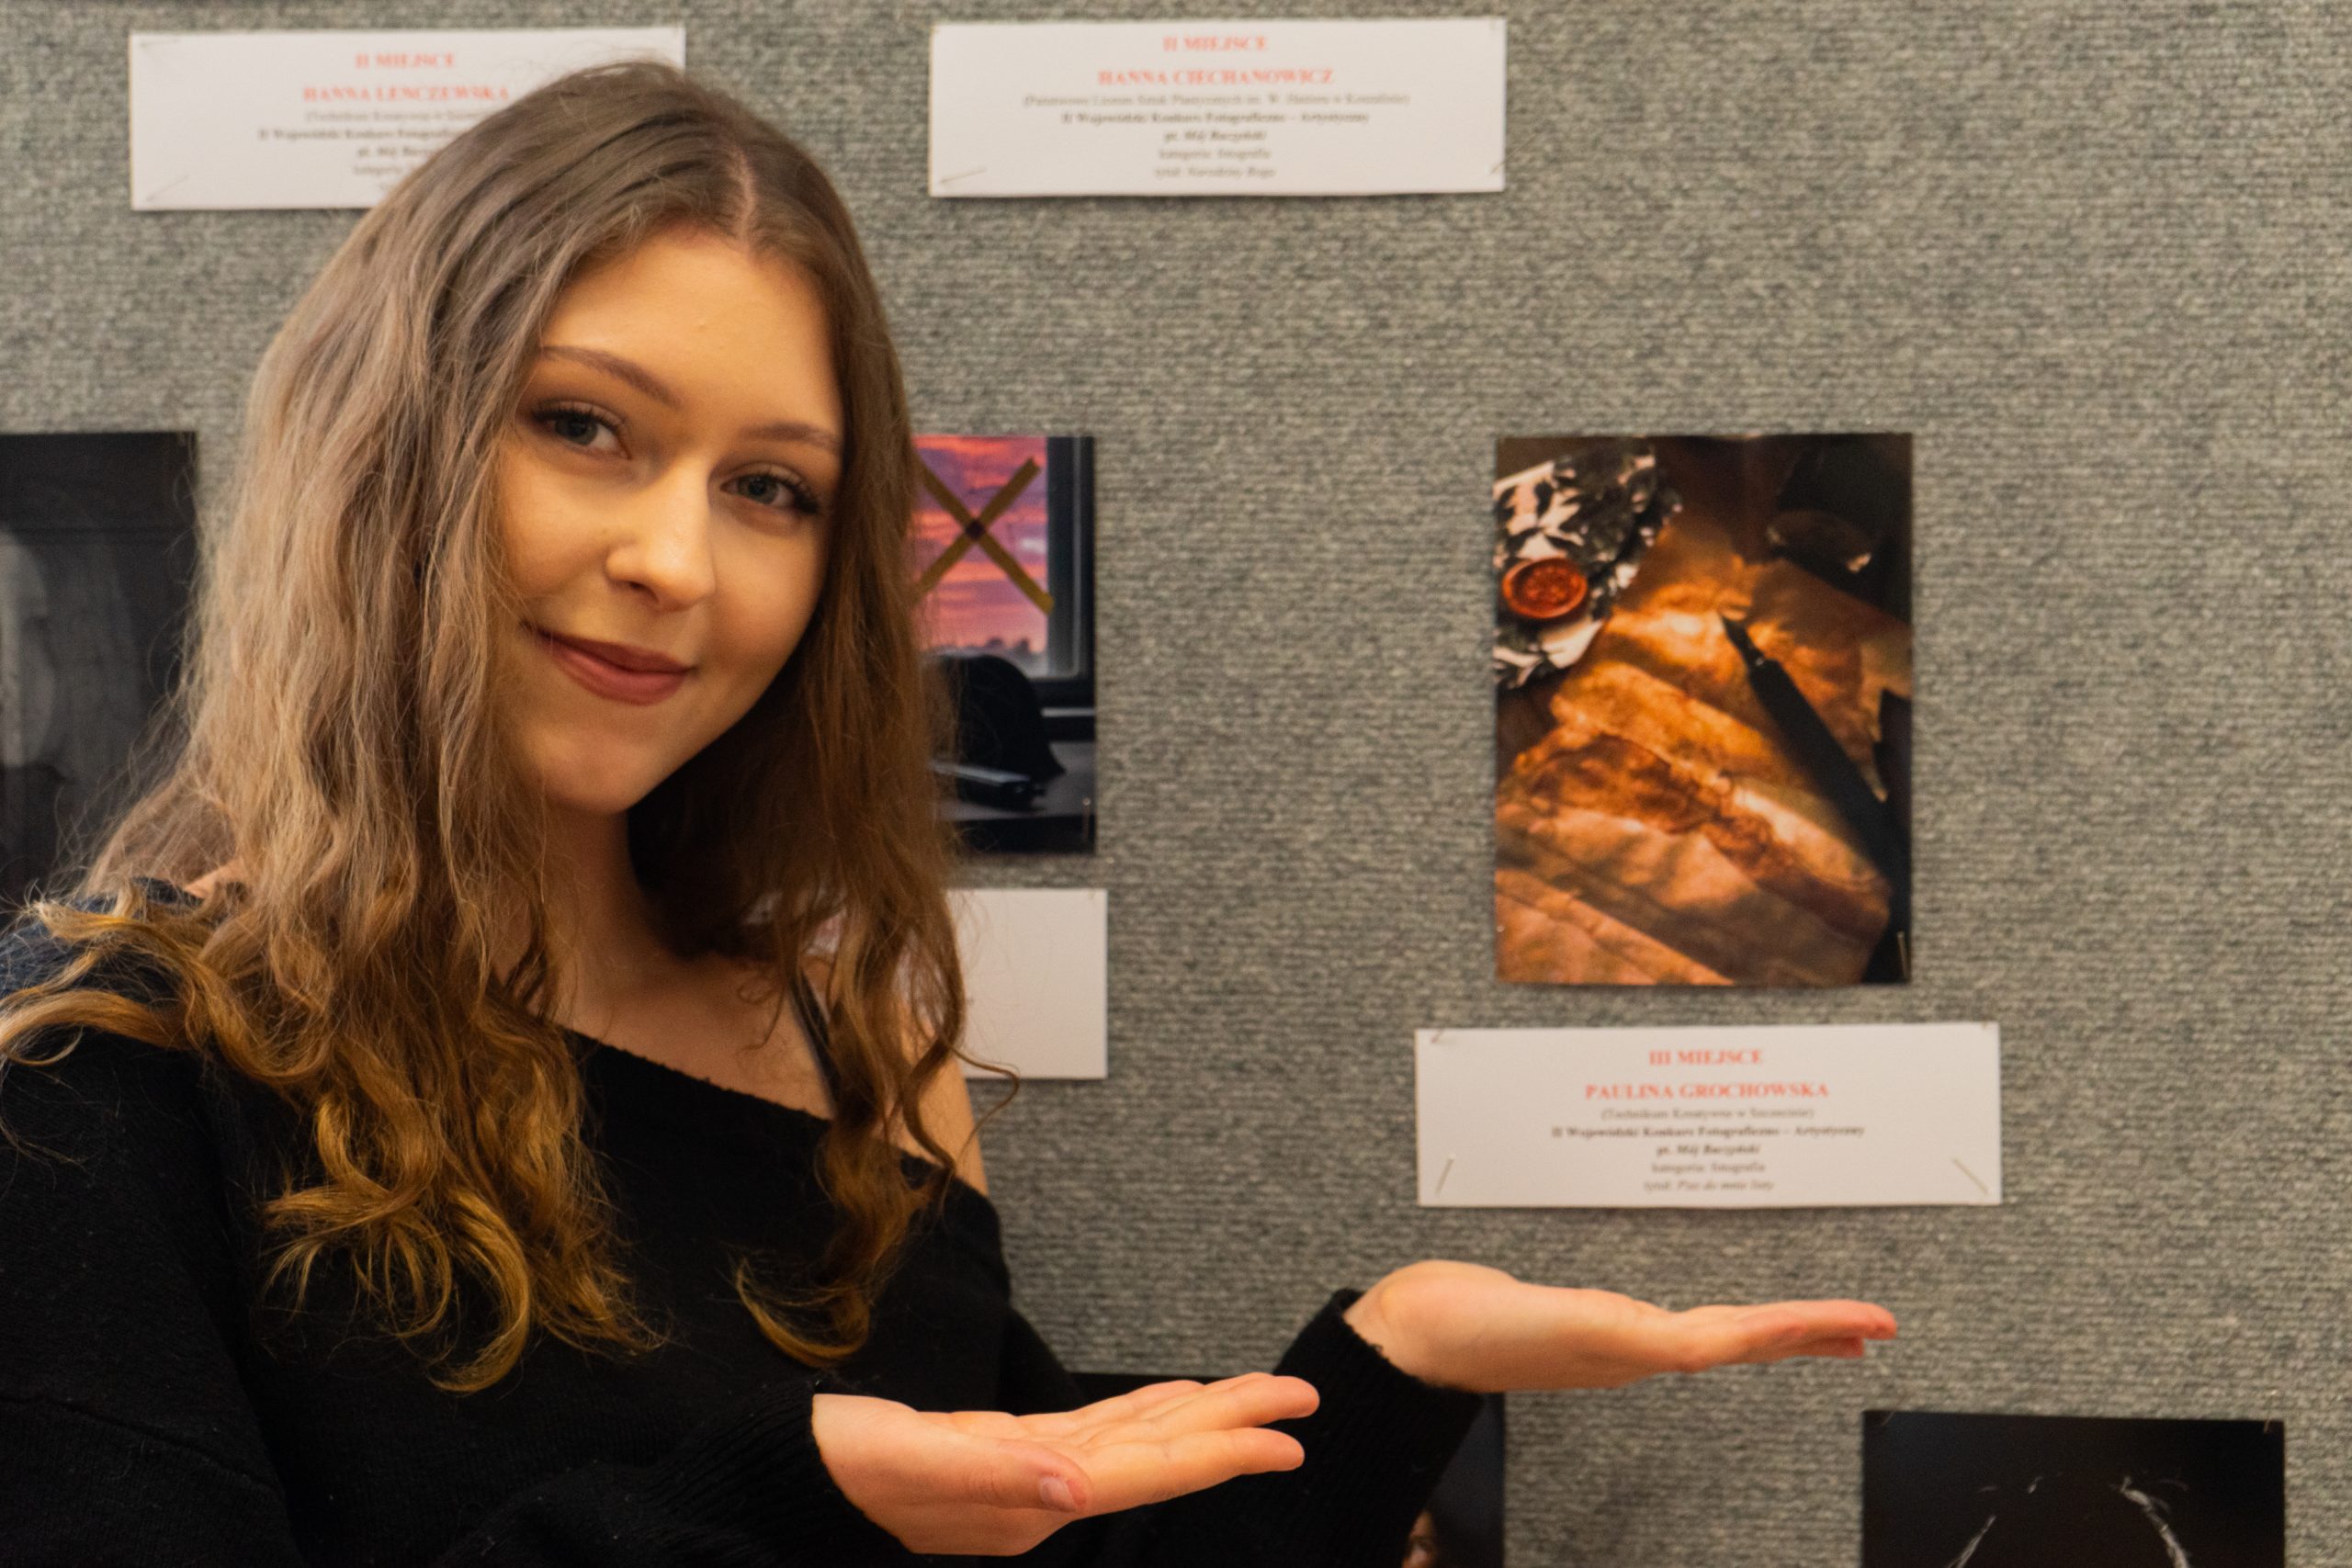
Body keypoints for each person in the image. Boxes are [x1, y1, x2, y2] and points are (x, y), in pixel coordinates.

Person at [0, 59, 1896, 1565]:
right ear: (385, 443)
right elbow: (834, 1510)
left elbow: (1025, 1523)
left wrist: (1385, 1363)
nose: (675, 560)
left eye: (771, 488)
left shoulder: (850, 1042)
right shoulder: (97, 1078)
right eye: (583, 426)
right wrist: (791, 1500)